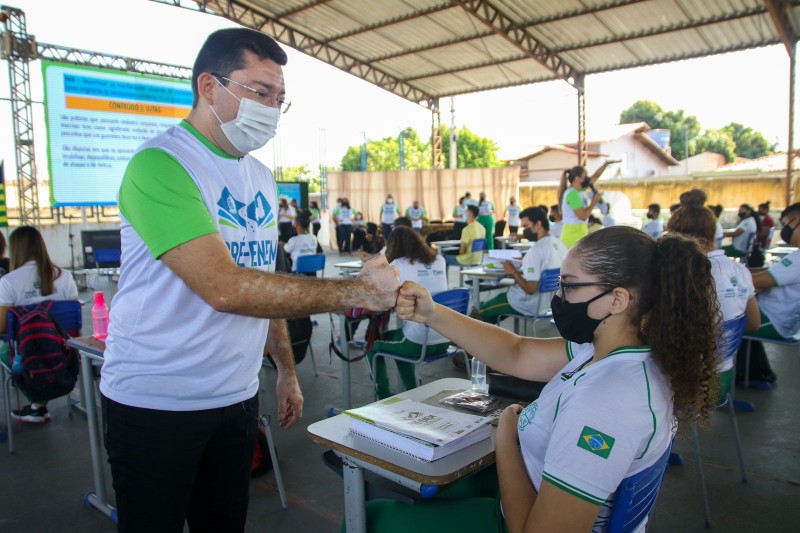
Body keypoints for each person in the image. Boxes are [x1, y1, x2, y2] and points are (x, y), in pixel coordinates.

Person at [102, 28, 400, 532]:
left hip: (235, 398)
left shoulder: (259, 176)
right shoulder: (162, 165)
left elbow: (259, 281)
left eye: (280, 98)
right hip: (157, 402)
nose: (271, 108)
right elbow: (225, 287)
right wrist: (354, 293)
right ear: (209, 87)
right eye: (259, 92)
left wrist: (284, 367)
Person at [374, 226, 718, 533]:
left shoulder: (607, 403)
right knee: (431, 488)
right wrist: (432, 313)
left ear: (617, 299)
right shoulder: (608, 350)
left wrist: (505, 438)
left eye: (568, 286)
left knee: (377, 516)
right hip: (534, 484)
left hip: (517, 516)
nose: (557, 298)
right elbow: (517, 351)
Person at [0, 226, 79, 423]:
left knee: (4, 352)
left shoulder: (8, 282)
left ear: (15, 249)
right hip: (65, 350)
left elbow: (2, 328)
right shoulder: (65, 276)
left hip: (27, 354)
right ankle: (39, 404)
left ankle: (38, 403)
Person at [364, 226, 449, 399]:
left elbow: (379, 296)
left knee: (372, 345)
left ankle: (383, 396)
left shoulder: (398, 265)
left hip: (418, 342)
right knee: (394, 338)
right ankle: (412, 389)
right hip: (446, 337)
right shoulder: (440, 260)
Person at [667, 205, 760, 330]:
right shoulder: (740, 270)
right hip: (728, 349)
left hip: (685, 347)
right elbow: (754, 323)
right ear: (714, 231)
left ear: (673, 235)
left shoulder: (672, 273)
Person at [478, 207, 567, 324]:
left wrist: (513, 272)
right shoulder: (559, 244)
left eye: (526, 226)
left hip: (526, 304)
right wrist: (525, 261)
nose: (524, 231)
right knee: (498, 303)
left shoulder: (535, 251)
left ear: (538, 224)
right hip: (549, 304)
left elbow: (531, 289)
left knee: (480, 311)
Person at [750, 202, 800, 340]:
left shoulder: (797, 259)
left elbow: (756, 281)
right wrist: (738, 270)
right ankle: (752, 360)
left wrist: (726, 273)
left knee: (715, 315)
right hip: (777, 318)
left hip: (770, 320)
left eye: (785, 225)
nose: (783, 230)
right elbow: (772, 272)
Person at [557, 165, 605, 248]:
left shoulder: (578, 191)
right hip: (571, 237)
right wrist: (594, 201)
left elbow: (594, 177)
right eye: (585, 176)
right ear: (577, 178)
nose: (587, 178)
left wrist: (606, 164)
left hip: (578, 234)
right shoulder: (573, 194)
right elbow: (583, 216)